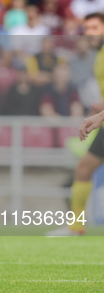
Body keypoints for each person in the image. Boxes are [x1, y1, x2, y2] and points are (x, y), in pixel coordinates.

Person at [47, 13, 104, 236]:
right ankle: (76, 226)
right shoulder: (98, 55)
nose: (90, 32)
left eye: (95, 27)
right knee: (83, 168)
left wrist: (98, 116)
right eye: (87, 28)